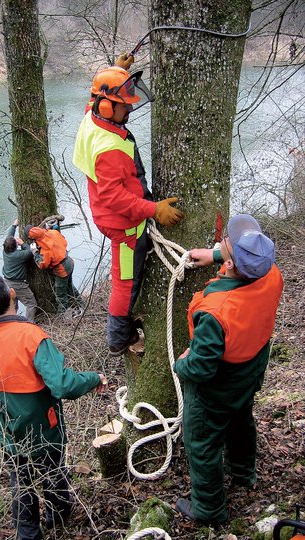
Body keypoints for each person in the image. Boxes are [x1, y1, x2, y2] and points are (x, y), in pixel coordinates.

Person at [0, 274, 107, 540]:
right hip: (45, 427)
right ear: (12, 294)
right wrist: (93, 378)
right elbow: (63, 385)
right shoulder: (32, 336)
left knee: (20, 481)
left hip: (9, 429)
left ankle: (29, 533)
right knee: (52, 471)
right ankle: (58, 514)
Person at [174, 214, 284, 526]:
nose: (223, 243)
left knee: (202, 442)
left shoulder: (216, 312)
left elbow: (201, 367)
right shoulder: (270, 273)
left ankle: (208, 510)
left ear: (233, 265)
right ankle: (244, 473)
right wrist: (215, 256)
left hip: (217, 385)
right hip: (250, 371)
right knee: (240, 420)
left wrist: (181, 363)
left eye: (226, 246)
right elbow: (251, 260)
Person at [73, 65, 184, 356]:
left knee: (129, 272)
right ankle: (119, 338)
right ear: (107, 107)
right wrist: (153, 209)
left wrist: (118, 71)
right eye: (125, 107)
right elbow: (114, 197)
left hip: (112, 213)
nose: (129, 113)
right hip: (123, 225)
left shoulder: (91, 117)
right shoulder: (109, 149)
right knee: (124, 282)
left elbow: (94, 95)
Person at [25, 224, 82, 314]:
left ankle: (63, 315)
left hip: (62, 269)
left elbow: (42, 265)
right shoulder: (53, 232)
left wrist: (35, 253)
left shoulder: (46, 250)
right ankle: (82, 304)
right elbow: (63, 239)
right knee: (70, 287)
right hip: (69, 262)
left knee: (60, 294)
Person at [2, 218, 38, 322]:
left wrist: (14, 226)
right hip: (18, 285)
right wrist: (22, 243)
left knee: (13, 308)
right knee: (31, 304)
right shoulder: (19, 255)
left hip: (7, 283)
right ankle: (28, 325)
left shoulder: (5, 252)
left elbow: (8, 237)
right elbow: (30, 251)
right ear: (15, 246)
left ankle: (12, 325)